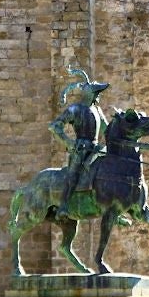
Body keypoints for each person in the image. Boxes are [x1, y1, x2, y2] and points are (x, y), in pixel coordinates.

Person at [50, 69, 110, 202]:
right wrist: (69, 143)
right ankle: (64, 205)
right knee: (74, 174)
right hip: (81, 149)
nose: (98, 96)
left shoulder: (97, 111)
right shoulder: (75, 109)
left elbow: (108, 130)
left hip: (95, 149)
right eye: (96, 93)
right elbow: (54, 126)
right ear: (90, 94)